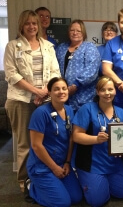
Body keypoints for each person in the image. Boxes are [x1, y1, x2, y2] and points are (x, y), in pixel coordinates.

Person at [4, 10, 60, 192]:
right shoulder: (13, 46)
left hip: (44, 100)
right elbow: (12, 75)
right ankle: (24, 181)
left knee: (44, 142)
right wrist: (36, 91)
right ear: (22, 25)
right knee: (24, 143)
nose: (32, 26)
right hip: (20, 100)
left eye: (34, 23)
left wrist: (45, 92)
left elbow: (55, 73)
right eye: (27, 23)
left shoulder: (48, 46)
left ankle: (41, 176)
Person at [25, 77, 82, 206]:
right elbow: (36, 145)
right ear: (49, 93)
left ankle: (53, 186)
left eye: (64, 88)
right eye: (56, 89)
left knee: (76, 198)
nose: (61, 92)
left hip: (62, 163)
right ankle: (32, 188)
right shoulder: (41, 113)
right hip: (42, 166)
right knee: (63, 203)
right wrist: (54, 168)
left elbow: (71, 139)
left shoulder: (69, 110)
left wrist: (67, 162)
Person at [72, 76, 123, 207]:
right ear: (97, 92)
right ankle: (86, 178)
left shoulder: (121, 112)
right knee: (97, 201)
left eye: (110, 89)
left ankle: (104, 182)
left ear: (115, 91)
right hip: (92, 163)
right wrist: (96, 139)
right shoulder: (87, 109)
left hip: (114, 163)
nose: (107, 93)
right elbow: (76, 136)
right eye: (103, 90)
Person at [56, 19, 100, 112]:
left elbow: (92, 70)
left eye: (78, 31)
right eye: (72, 30)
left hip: (84, 98)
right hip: (62, 96)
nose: (75, 33)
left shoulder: (89, 47)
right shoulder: (61, 48)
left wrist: (76, 85)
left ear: (83, 33)